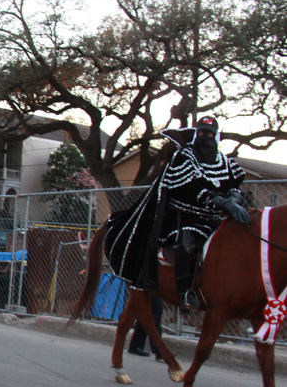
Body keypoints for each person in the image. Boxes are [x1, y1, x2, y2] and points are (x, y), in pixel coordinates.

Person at [105, 116, 248, 308]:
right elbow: (189, 187)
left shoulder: (224, 161)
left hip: (215, 217)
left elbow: (234, 185)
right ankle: (185, 292)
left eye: (210, 134)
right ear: (196, 133)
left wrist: (233, 200)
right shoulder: (184, 156)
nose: (205, 137)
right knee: (186, 241)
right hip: (184, 215)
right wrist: (221, 202)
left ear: (216, 136)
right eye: (202, 133)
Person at [128, 293, 165, 361]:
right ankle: (159, 349)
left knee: (147, 313)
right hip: (149, 286)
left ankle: (136, 345)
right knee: (155, 310)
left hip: (147, 286)